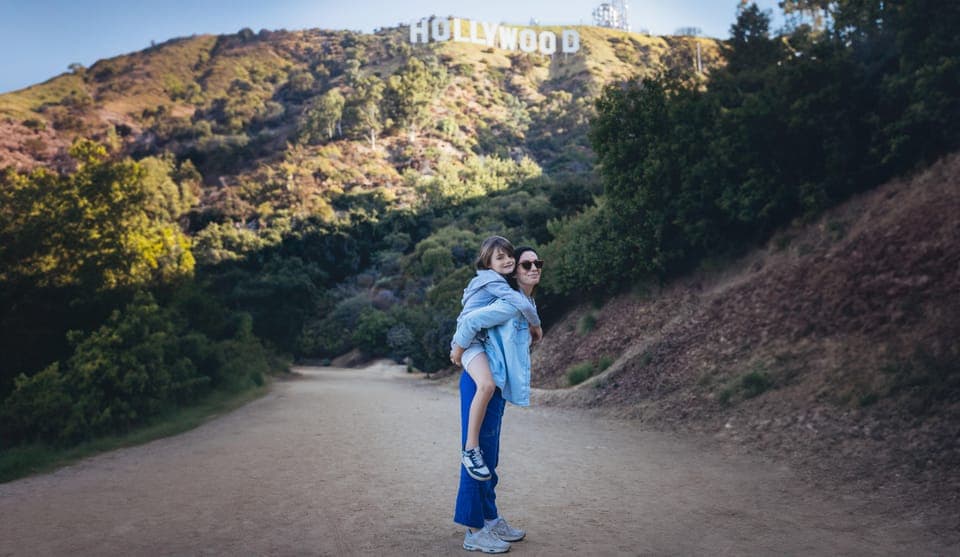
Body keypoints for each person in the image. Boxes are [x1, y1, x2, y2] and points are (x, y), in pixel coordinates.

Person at [450, 247, 544, 554]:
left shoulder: (525, 303)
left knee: (489, 457)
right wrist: (458, 350)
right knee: (475, 456)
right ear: (514, 272)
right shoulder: (508, 303)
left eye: (536, 263)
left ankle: (490, 518)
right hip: (480, 380)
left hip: (497, 383)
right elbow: (468, 323)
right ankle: (474, 530)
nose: (532, 267)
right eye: (525, 263)